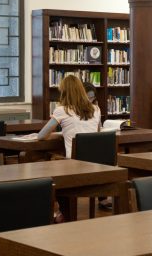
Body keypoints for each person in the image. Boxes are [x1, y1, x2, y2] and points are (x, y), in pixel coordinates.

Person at [37, 75, 101, 223]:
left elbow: (41, 136)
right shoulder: (95, 109)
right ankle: (62, 213)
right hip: (97, 165)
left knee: (50, 168)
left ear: (64, 92)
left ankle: (61, 212)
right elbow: (95, 133)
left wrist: (57, 135)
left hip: (75, 166)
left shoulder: (62, 110)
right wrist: (64, 134)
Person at [82, 81, 113, 211]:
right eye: (87, 97)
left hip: (90, 145)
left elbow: (98, 127)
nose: (90, 100)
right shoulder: (71, 109)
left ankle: (102, 197)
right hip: (79, 146)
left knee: (101, 158)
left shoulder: (96, 109)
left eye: (92, 98)